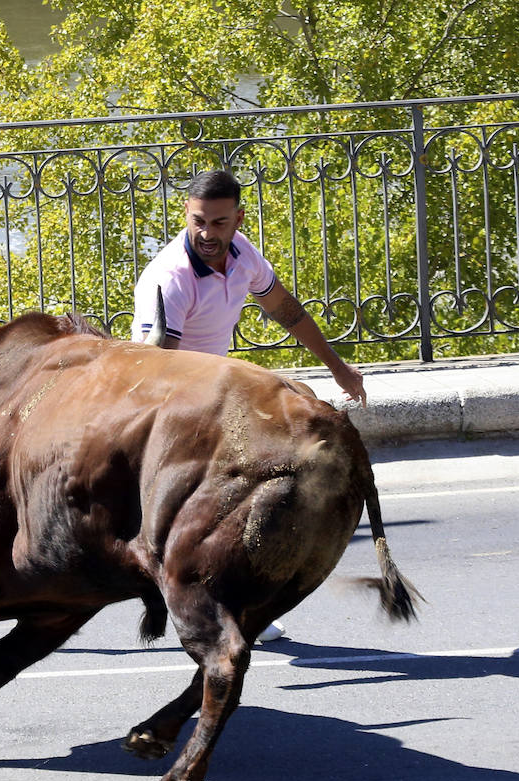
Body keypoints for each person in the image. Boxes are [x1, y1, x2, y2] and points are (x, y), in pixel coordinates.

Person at [131, 169, 367, 643]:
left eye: (219, 222)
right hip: (169, 401)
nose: (207, 233)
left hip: (212, 391)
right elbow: (162, 373)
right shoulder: (171, 278)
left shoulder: (243, 257)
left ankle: (235, 597)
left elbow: (286, 310)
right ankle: (208, 603)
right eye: (199, 221)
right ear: (186, 214)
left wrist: (338, 368)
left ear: (238, 219)